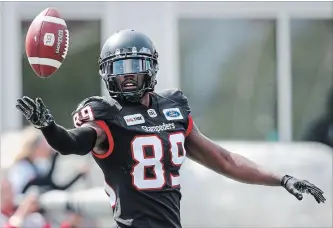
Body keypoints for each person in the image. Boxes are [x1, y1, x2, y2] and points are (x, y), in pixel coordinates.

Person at [16, 29, 326, 228]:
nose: (127, 76)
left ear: (151, 67)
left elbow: (225, 160)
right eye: (119, 68)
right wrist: (47, 126)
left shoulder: (173, 107)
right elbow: (72, 143)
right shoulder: (105, 116)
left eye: (134, 66)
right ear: (107, 73)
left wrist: (281, 178)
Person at [7, 126, 88, 195]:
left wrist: (78, 175)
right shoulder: (20, 167)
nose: (47, 148)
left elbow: (54, 186)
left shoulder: (40, 165)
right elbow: (18, 192)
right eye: (44, 145)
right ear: (36, 148)